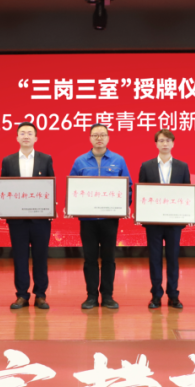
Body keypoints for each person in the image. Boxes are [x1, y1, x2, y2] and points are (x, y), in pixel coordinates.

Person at [70, 124, 131, 310]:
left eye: (103, 135)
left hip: (109, 220)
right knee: (89, 259)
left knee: (108, 258)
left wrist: (124, 206)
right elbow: (72, 188)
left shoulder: (118, 160)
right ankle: (91, 296)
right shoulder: (80, 161)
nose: (99, 138)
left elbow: (127, 187)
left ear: (108, 138)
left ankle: (107, 296)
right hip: (87, 221)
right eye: (95, 135)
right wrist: (72, 206)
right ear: (90, 138)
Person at [0, 122, 55, 310]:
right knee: (20, 258)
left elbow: (50, 185)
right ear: (17, 137)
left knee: (41, 257)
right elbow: (3, 188)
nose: (26, 136)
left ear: (36, 138)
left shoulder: (45, 159)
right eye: (22, 133)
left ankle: (40, 295)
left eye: (30, 133)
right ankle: (22, 295)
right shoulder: (8, 161)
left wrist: (50, 207)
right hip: (17, 220)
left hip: (40, 219)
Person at [137, 129, 191, 309]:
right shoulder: (147, 166)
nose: (165, 143)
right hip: (153, 222)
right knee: (155, 258)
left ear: (173, 143)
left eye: (168, 140)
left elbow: (186, 194)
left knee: (173, 258)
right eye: (161, 140)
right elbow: (142, 193)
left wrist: (187, 215)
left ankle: (173, 295)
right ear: (156, 144)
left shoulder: (182, 166)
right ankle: (156, 295)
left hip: (174, 222)